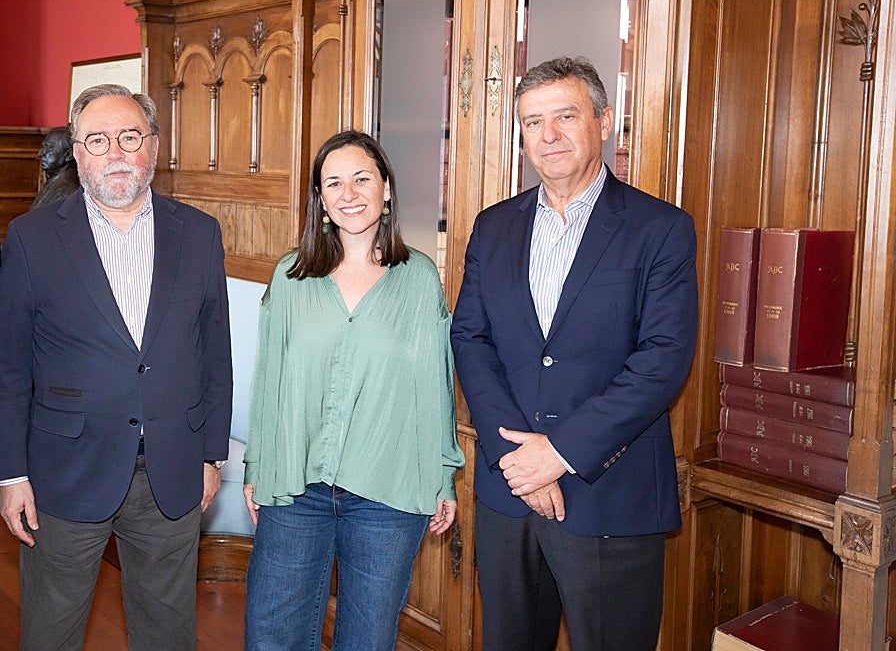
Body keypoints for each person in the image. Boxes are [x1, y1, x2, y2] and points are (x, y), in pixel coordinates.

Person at [451, 56, 698, 651]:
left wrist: (558, 454)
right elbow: (471, 338)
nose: (548, 135)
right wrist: (521, 461)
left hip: (610, 497)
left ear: (605, 121)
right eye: (533, 122)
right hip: (509, 495)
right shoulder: (493, 227)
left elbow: (662, 360)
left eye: (565, 116)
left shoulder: (660, 229)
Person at [0, 84, 233, 651]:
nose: (115, 152)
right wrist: (12, 474)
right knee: (51, 631)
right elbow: (6, 367)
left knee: (167, 633)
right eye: (97, 140)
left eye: (129, 137)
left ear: (154, 146)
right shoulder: (32, 237)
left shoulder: (198, 233)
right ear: (76, 152)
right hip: (63, 470)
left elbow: (214, 353)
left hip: (171, 468)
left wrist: (210, 453)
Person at [242, 130, 465, 651]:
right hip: (296, 487)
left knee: (367, 639)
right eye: (334, 183)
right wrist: (258, 469)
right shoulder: (290, 277)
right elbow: (269, 380)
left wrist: (443, 478)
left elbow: (435, 386)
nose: (350, 193)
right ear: (319, 200)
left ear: (386, 189)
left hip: (387, 490)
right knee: (273, 634)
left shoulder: (418, 280)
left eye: (362, 179)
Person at [31, 125, 80, 208]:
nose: (41, 153)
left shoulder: (69, 192)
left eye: (49, 148)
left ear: (68, 154)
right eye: (43, 147)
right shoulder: (52, 184)